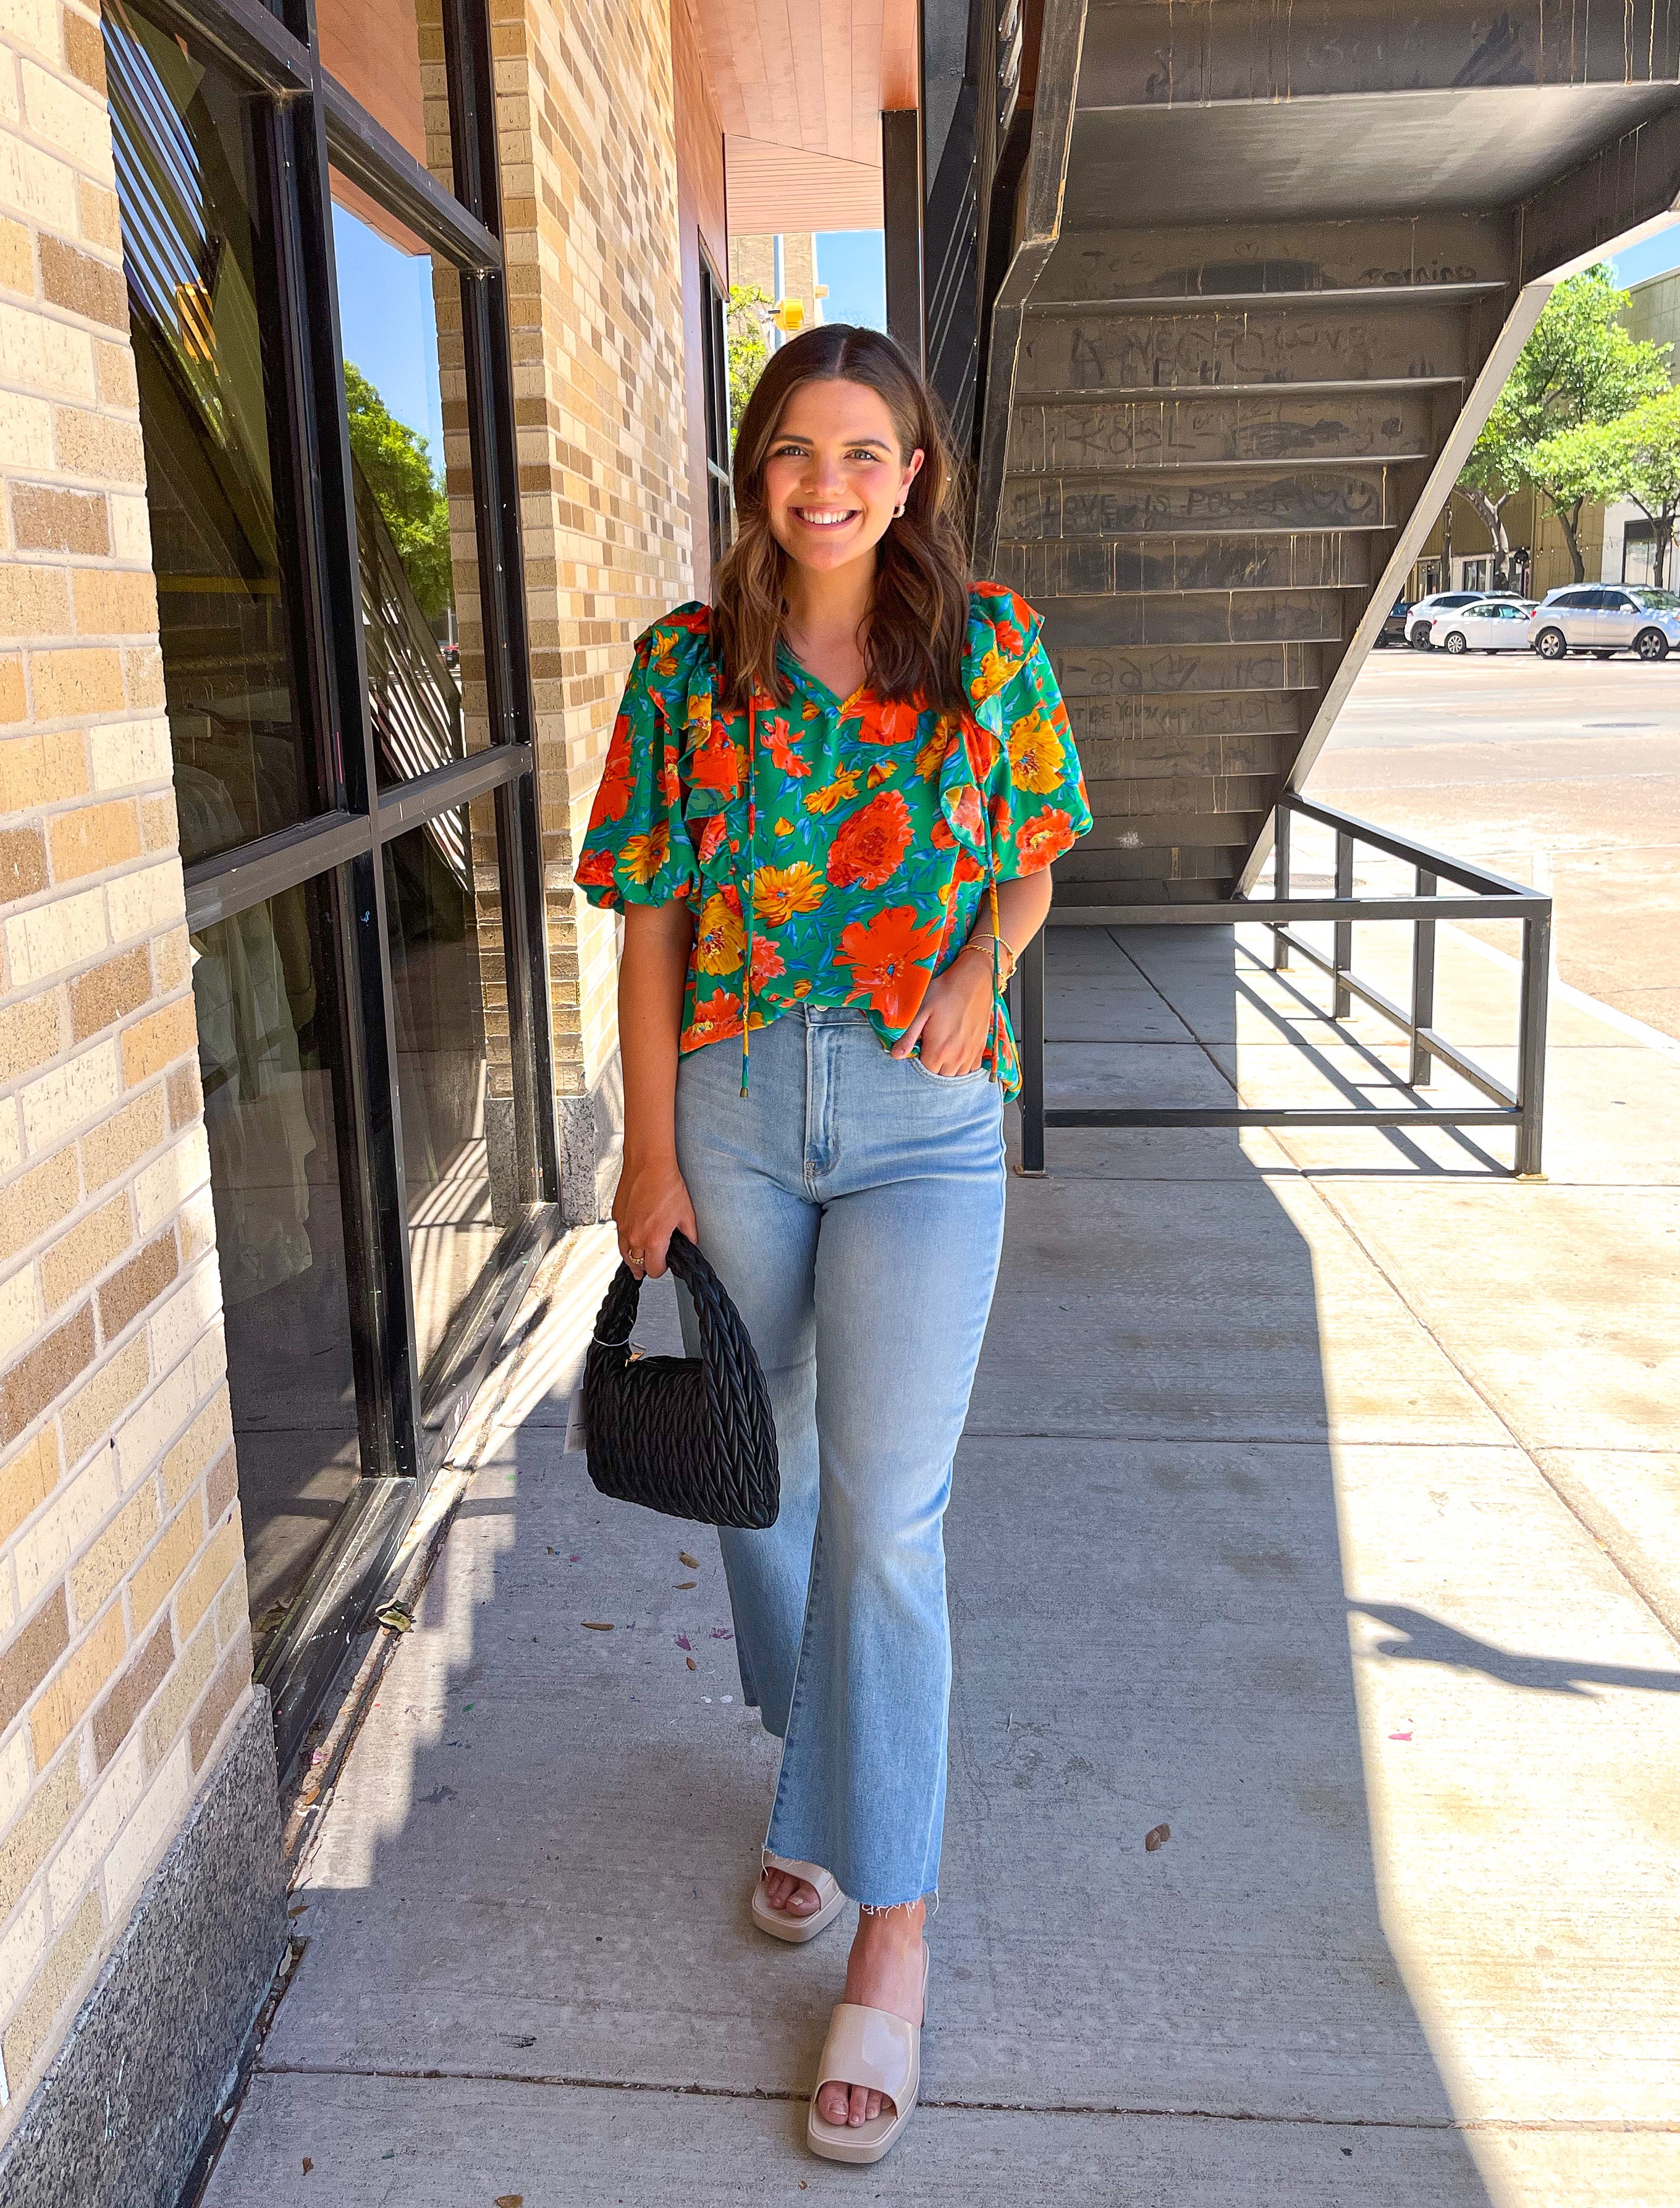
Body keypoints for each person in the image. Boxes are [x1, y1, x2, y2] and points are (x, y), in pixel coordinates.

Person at [574, 323, 1090, 2164]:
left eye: (864, 453)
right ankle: (818, 1771)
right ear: (756, 470)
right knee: (758, 1480)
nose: (828, 483)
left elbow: (1037, 851)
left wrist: (977, 968)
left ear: (916, 472)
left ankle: (896, 1922)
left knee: (892, 1507)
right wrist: (647, 1148)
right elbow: (644, 921)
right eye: (796, 450)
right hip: (730, 1110)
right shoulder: (683, 669)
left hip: (922, 1121)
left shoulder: (990, 648)